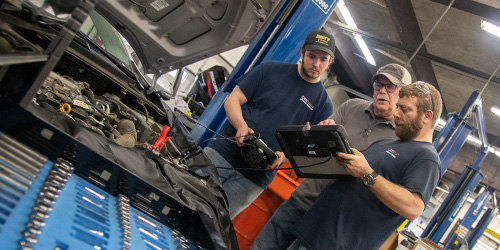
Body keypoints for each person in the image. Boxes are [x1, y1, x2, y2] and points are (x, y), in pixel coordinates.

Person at [251, 63, 412, 249]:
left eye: (390, 86)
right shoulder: (352, 106)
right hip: (301, 201)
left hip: (327, 221)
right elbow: (315, 148)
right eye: (378, 84)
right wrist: (302, 145)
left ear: (403, 94)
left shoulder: (400, 139)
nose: (382, 90)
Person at [288, 81, 443, 250]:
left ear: (427, 116)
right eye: (397, 106)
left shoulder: (426, 158)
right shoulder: (387, 143)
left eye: (404, 109)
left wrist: (367, 173)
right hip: (313, 231)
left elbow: (413, 208)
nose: (396, 113)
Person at [204, 29, 336, 219]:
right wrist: (241, 125)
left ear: (330, 61)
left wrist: (285, 157)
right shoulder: (270, 70)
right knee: (182, 198)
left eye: (323, 59)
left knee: (213, 224)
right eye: (311, 56)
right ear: (302, 53)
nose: (316, 64)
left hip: (254, 178)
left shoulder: (323, 106)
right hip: (222, 153)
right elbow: (233, 99)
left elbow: (304, 152)